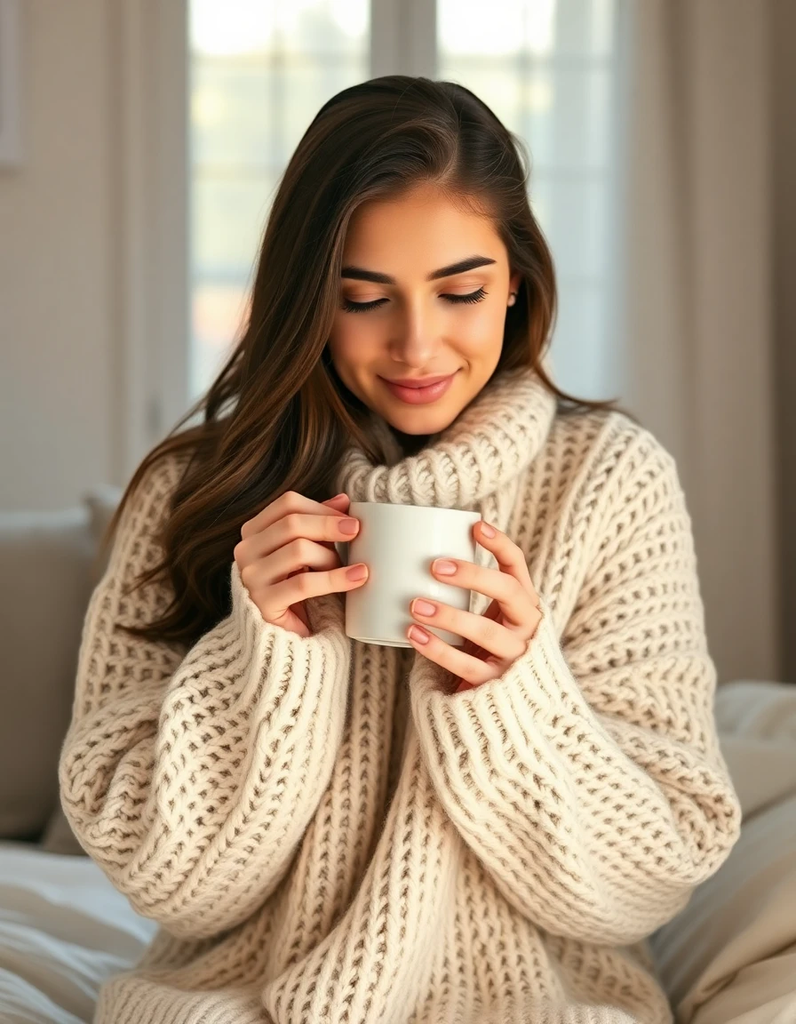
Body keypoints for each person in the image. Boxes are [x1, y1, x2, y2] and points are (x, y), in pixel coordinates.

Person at [58, 75, 741, 1024]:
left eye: (459, 290)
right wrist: (267, 660)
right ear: (308, 300)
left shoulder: (610, 481)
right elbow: (168, 883)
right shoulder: (197, 489)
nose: (417, 346)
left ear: (516, 282)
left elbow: (651, 879)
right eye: (364, 298)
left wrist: (512, 695)